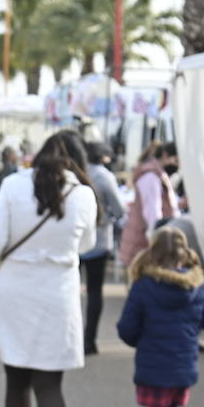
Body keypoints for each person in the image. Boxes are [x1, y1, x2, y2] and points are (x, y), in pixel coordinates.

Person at [0, 130, 97, 407]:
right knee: (50, 384)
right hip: (58, 291)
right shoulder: (83, 194)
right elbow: (88, 244)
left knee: (17, 381)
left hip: (17, 288)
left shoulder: (14, 186)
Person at [116, 227, 204, 407]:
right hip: (184, 362)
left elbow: (127, 328)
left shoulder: (144, 286)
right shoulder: (197, 284)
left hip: (153, 362)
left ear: (153, 253)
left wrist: (142, 341)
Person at [82, 141, 127, 355]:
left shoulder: (76, 172)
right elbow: (119, 209)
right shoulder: (104, 176)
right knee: (94, 291)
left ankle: (69, 336)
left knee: (69, 289)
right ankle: (89, 339)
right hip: (99, 240)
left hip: (74, 240)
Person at [120, 142, 179, 269]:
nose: (176, 165)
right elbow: (152, 212)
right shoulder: (151, 177)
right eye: (175, 160)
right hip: (143, 242)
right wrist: (159, 241)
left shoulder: (156, 174)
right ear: (165, 155)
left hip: (144, 240)